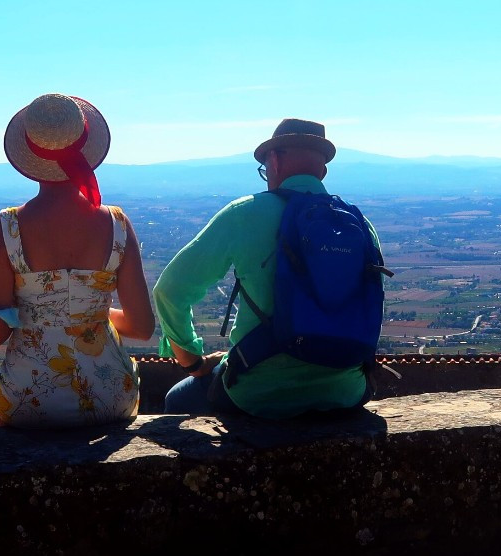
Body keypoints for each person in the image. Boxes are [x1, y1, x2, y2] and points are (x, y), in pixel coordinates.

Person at [153, 118, 386, 418]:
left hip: (258, 393)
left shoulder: (245, 213)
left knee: (176, 400)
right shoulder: (360, 225)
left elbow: (170, 290)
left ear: (274, 161)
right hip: (347, 390)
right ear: (323, 171)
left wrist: (192, 360)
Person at [0, 93, 154, 429]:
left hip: (29, 399)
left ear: (29, 153)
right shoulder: (117, 224)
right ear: (87, 147)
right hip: (111, 394)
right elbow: (142, 328)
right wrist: (92, 313)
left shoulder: (6, 229)